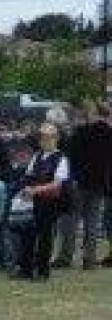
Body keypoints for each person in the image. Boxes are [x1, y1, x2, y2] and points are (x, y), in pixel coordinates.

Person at [13, 124, 70, 281]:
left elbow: (57, 184)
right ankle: (25, 269)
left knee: (45, 237)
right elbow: (28, 176)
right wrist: (24, 189)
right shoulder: (36, 156)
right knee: (27, 235)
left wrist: (36, 190)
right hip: (32, 202)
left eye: (49, 136)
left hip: (49, 203)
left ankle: (42, 271)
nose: (45, 140)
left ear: (56, 138)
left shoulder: (62, 158)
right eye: (43, 137)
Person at [58, 103, 109, 270]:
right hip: (99, 184)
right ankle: (89, 258)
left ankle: (66, 256)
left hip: (78, 183)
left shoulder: (80, 133)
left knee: (71, 221)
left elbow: (70, 156)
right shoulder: (109, 134)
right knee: (92, 222)